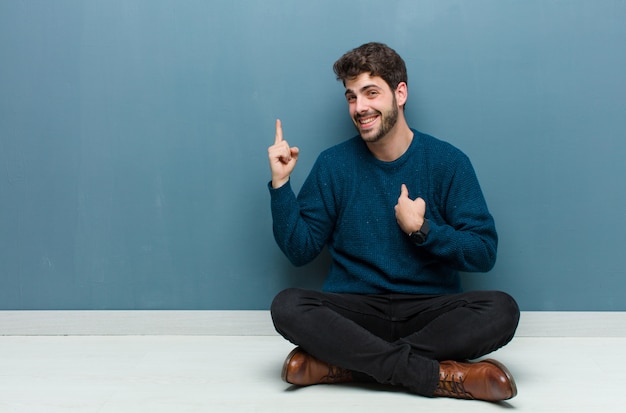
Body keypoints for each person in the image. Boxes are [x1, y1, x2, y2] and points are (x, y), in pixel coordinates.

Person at [266, 42, 520, 402]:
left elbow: (483, 253)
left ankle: (346, 364)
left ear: (400, 93)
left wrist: (424, 230)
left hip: (429, 311)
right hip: (356, 310)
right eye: (351, 97)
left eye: (371, 93)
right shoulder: (333, 165)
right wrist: (281, 185)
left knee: (502, 310)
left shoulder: (448, 162)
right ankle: (435, 375)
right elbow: (299, 249)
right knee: (287, 306)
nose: (360, 107)